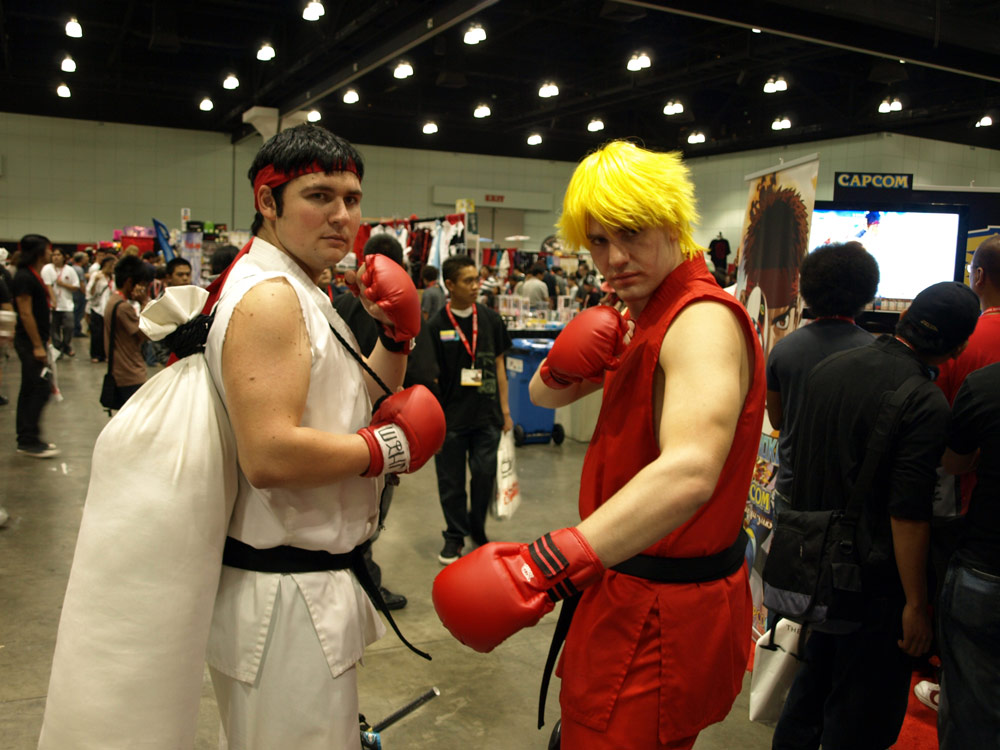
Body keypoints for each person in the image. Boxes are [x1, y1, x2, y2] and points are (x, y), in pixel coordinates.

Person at [433, 140, 766, 749]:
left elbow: (692, 470)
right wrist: (573, 356)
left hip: (659, 609)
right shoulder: (644, 312)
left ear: (672, 222)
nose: (613, 258)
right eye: (598, 242)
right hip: (627, 586)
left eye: (631, 233)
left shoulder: (699, 320)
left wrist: (550, 562)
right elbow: (546, 392)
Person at [204, 124, 443, 750]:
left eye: (352, 199)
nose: (343, 216)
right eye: (319, 196)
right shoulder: (270, 297)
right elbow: (269, 454)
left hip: (307, 585)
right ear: (267, 201)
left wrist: (396, 337)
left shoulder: (304, 288)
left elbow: (356, 397)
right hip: (284, 599)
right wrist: (385, 450)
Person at [771, 281, 980, 750]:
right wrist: (915, 604)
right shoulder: (925, 401)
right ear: (959, 347)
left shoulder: (830, 367)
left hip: (814, 554)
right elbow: (907, 512)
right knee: (861, 714)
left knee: (812, 687)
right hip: (874, 577)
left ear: (904, 318)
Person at [766, 242, 879, 510]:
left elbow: (777, 419)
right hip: (853, 492)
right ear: (866, 291)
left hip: (794, 488)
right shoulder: (877, 352)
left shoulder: (783, 350)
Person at [427, 254, 513, 565]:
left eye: (477, 279)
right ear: (450, 285)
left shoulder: (491, 320)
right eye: (468, 281)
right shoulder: (436, 326)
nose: (476, 285)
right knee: (451, 482)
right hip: (450, 419)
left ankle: (477, 528)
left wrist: (505, 411)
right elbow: (432, 379)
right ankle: (454, 535)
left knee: (484, 475)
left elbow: (500, 366)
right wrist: (432, 424)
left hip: (486, 415)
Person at [938, 361, 1000, 749]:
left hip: (986, 564)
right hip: (983, 567)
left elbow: (953, 462)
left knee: (971, 712)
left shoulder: (985, 384)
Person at [12, 234, 59, 458]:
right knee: (36, 389)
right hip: (29, 343)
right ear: (39, 252)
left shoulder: (33, 274)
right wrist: (37, 345)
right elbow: (25, 313)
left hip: (37, 340)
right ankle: (27, 439)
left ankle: (30, 436)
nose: (50, 253)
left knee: (36, 388)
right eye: (47, 249)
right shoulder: (24, 277)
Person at [103, 256, 152, 409]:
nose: (143, 289)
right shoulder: (124, 308)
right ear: (130, 282)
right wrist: (144, 302)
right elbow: (147, 333)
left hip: (120, 369)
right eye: (142, 284)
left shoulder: (113, 300)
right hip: (130, 372)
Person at [41, 248, 79, 357]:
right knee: (54, 328)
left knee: (69, 326)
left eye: (58, 255)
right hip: (52, 305)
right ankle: (57, 348)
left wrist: (63, 285)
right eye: (54, 255)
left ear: (63, 257)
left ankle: (66, 345)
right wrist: (53, 301)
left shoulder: (70, 270)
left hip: (67, 304)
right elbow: (48, 286)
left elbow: (76, 286)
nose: (56, 257)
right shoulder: (47, 268)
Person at [85, 256, 115, 363]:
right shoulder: (96, 275)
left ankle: (106, 354)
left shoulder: (113, 277)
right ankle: (96, 354)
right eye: (111, 265)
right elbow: (89, 292)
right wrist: (95, 282)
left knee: (108, 333)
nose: (112, 267)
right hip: (97, 307)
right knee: (97, 332)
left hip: (109, 307)